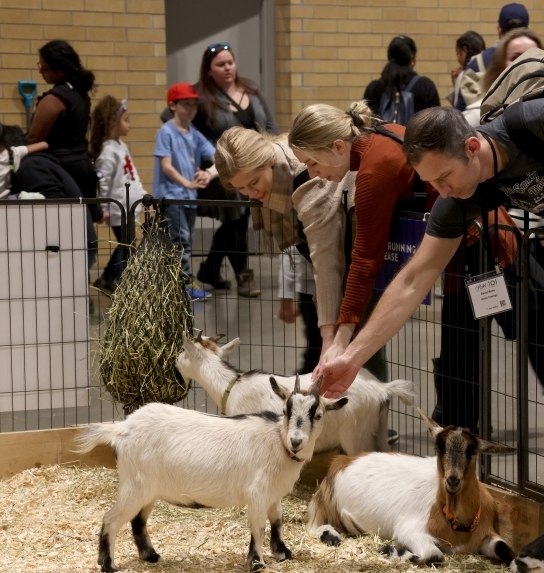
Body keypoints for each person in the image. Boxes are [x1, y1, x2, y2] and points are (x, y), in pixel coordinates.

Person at [314, 101, 544, 520]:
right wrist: (352, 358)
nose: (442, 191)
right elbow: (415, 278)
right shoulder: (464, 192)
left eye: (444, 177)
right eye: (432, 182)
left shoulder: (537, 122)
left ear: (472, 148)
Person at [287, 101, 440, 382]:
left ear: (338, 147)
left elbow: (365, 261)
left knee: (462, 357)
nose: (312, 174)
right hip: (465, 242)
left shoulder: (371, 174)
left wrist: (340, 341)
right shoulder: (383, 134)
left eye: (312, 162)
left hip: (472, 247)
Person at [213, 126, 353, 372]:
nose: (252, 194)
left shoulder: (307, 179)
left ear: (268, 161)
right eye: (241, 189)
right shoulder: (277, 168)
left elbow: (327, 260)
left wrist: (328, 339)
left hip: (356, 267)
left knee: (356, 358)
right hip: (333, 268)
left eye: (254, 182)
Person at [171, 42, 278, 297]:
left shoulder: (251, 90)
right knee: (237, 214)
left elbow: (271, 126)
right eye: (220, 64)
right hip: (221, 169)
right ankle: (243, 276)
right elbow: (171, 117)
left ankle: (210, 268)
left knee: (237, 218)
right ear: (209, 70)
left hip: (255, 164)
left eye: (230, 62)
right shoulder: (200, 95)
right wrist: (202, 148)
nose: (227, 68)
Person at [27, 40, 98, 269]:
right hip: (82, 167)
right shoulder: (80, 93)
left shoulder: (55, 98)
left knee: (60, 236)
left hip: (59, 170)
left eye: (44, 67)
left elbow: (33, 138)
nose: (40, 71)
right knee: (80, 235)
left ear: (60, 69)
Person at [154, 82, 217, 302]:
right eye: (186, 104)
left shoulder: (194, 134)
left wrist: (208, 173)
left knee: (182, 241)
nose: (191, 109)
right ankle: (183, 285)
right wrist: (187, 183)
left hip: (188, 198)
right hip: (172, 197)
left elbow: (217, 157)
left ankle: (176, 284)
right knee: (181, 242)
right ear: (173, 105)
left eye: (194, 104)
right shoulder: (166, 132)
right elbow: (166, 166)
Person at [90, 96, 146, 293]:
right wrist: (103, 208)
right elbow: (103, 183)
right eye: (126, 120)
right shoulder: (108, 151)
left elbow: (132, 175)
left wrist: (143, 195)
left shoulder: (121, 145)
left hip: (130, 205)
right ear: (113, 122)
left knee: (126, 244)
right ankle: (118, 281)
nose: (129, 124)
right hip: (118, 207)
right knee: (127, 245)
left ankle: (106, 278)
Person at [463, 28, 543, 126]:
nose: (524, 63)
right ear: (500, 66)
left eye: (533, 57)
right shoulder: (476, 118)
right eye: (515, 57)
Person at [363, 35, 441, 123]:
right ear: (412, 58)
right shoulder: (425, 86)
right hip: (414, 132)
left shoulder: (373, 88)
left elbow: (365, 124)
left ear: (389, 57)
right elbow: (437, 124)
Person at [460, 3, 530, 100]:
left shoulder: (477, 63)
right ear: (527, 30)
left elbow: (461, 107)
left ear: (499, 29)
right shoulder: (540, 63)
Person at [449, 31, 486, 111]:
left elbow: (458, 109)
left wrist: (458, 82)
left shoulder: (464, 75)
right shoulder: (492, 67)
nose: (457, 59)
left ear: (464, 51)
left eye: (457, 53)